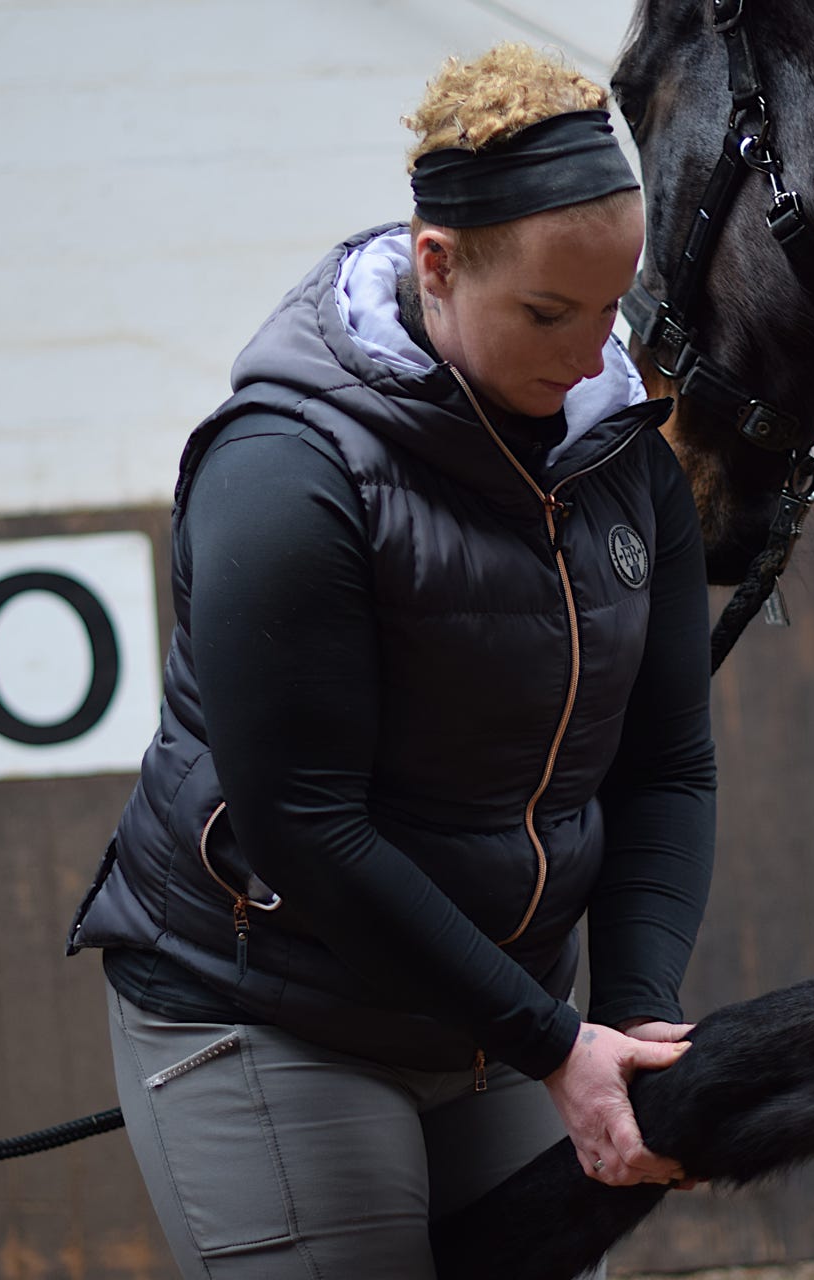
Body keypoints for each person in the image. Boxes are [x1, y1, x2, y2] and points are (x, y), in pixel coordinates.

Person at [64, 41, 717, 1279]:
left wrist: (628, 1019)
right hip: (266, 1006)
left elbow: (666, 763)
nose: (593, 355)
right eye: (546, 311)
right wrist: (550, 1041)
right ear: (436, 262)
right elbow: (308, 825)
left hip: (506, 1015)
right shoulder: (286, 473)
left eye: (609, 305)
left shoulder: (622, 445)